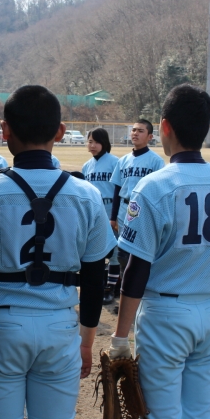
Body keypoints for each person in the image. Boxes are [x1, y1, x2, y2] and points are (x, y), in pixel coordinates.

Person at [0, 85, 116, 419]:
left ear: (4, 131)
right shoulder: (86, 194)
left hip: (0, 329)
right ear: (60, 132)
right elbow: (95, 278)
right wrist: (86, 342)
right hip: (60, 329)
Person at [110, 84, 210, 419]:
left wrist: (120, 337)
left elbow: (135, 270)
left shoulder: (154, 186)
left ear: (165, 126)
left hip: (165, 313)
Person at [110, 119, 165, 296]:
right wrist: (113, 217)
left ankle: (142, 293)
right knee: (123, 254)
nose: (135, 133)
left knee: (142, 253)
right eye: (133, 130)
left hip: (145, 210)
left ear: (150, 136)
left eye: (140, 131)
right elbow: (117, 190)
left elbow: (159, 192)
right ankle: (125, 293)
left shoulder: (156, 161)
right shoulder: (123, 161)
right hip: (124, 209)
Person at [81, 128, 121, 303]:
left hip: (111, 209)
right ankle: (101, 283)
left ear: (104, 143)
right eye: (90, 141)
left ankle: (111, 287)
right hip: (94, 211)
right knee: (95, 250)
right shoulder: (86, 166)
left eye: (96, 142)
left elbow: (118, 190)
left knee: (114, 250)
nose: (92, 145)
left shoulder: (115, 162)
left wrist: (115, 216)